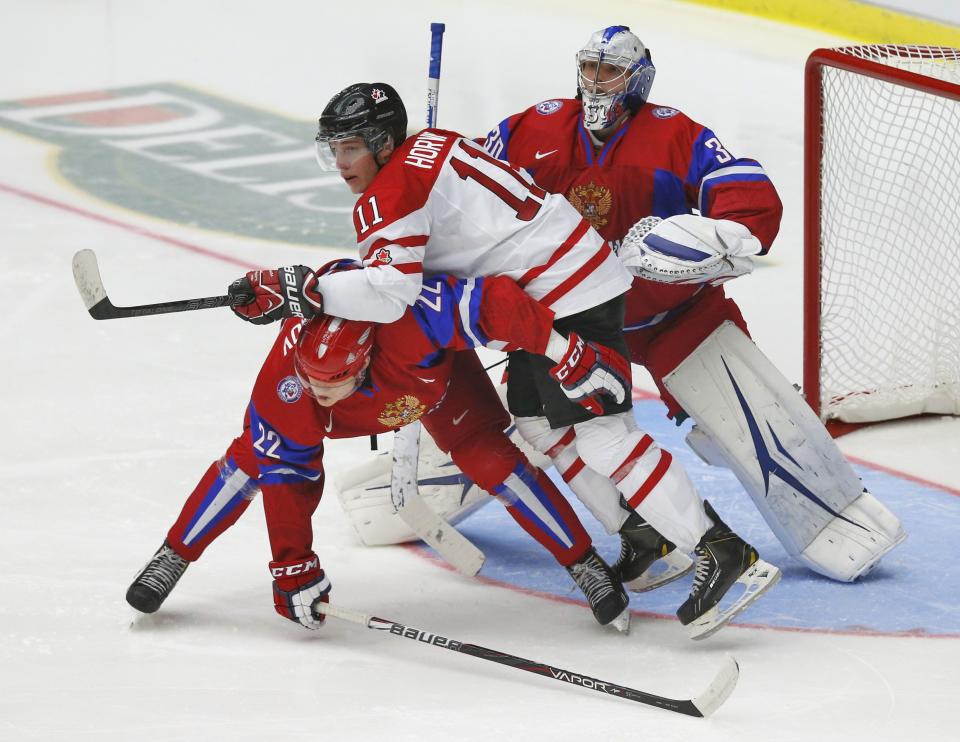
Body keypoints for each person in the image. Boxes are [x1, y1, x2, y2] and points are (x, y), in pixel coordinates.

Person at [226, 81, 779, 639]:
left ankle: (722, 550)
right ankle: (643, 537)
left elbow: (392, 296)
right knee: (537, 422)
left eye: (352, 147)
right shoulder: (432, 144)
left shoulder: (387, 196)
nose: (342, 163)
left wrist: (307, 290)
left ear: (383, 142)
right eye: (334, 148)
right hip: (556, 284)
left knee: (604, 436)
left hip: (565, 295)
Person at [481, 25, 905, 584]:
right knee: (519, 427)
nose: (596, 82)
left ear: (638, 80)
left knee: (746, 427)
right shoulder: (534, 125)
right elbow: (468, 184)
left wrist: (721, 240)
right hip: (566, 322)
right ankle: (647, 538)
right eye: (589, 68)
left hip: (671, 315)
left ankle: (840, 521)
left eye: (610, 71)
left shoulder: (673, 133)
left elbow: (745, 191)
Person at [127, 269, 634, 630]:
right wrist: (293, 568)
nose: (316, 391)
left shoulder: (416, 321)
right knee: (251, 461)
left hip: (437, 379)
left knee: (494, 462)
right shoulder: (290, 388)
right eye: (312, 380)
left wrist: (563, 350)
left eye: (333, 382)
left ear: (366, 360)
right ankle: (173, 556)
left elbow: (492, 302)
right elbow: (290, 486)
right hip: (375, 398)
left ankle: (583, 562)